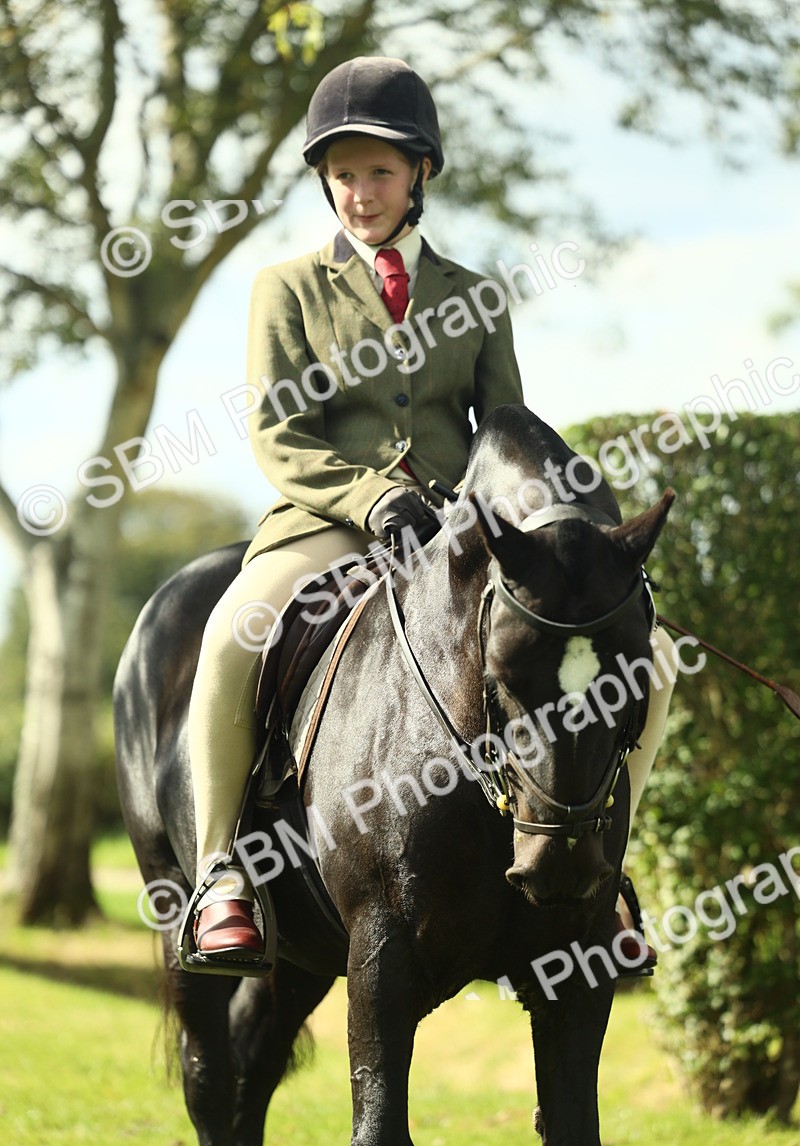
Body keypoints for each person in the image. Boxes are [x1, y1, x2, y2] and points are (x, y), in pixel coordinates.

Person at [185, 55, 674, 969]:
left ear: (419, 176)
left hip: (459, 536)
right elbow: (279, 434)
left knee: (659, 666)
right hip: (326, 519)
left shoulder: (472, 295)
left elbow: (512, 429)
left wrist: (554, 529)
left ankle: (605, 871)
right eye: (343, 176)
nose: (360, 193)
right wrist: (375, 501)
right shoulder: (285, 289)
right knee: (231, 637)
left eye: (378, 172)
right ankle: (223, 874)